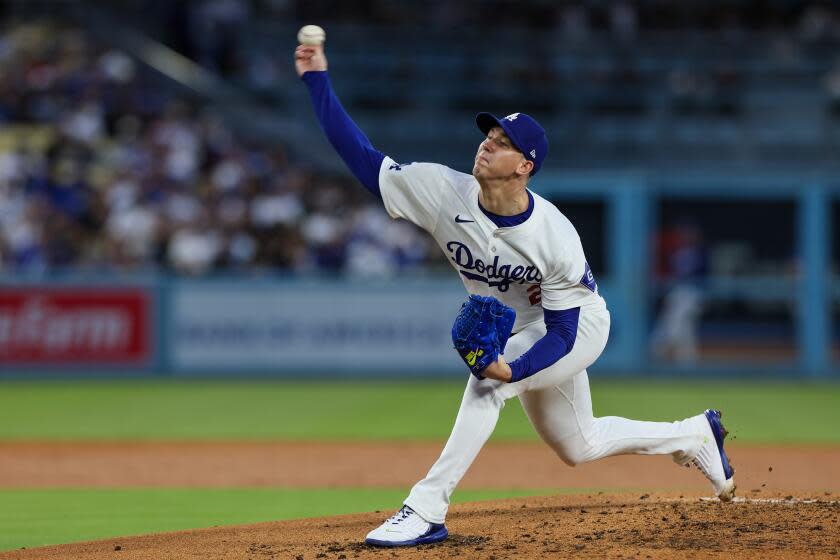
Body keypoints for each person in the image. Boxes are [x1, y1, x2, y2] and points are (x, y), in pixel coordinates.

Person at [295, 40, 736, 548]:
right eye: (489, 133)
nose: (487, 142)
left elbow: (564, 333)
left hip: (573, 327)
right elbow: (361, 156)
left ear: (525, 165)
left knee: (488, 385)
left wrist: (511, 370)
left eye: (503, 141)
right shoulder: (442, 191)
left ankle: (425, 507)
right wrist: (318, 81)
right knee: (579, 444)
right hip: (525, 326)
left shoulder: (554, 236)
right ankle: (693, 434)